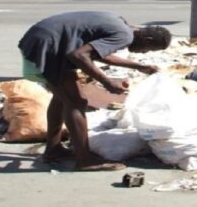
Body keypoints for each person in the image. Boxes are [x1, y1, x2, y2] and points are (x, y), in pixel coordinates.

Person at [18, 12, 171, 171]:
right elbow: (78, 55)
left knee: (62, 98)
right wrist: (107, 82)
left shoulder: (122, 26)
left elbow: (94, 53)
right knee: (76, 102)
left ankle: (53, 149)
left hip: (44, 39)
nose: (143, 53)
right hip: (49, 44)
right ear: (148, 39)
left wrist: (138, 66)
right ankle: (84, 160)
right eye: (148, 50)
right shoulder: (124, 35)